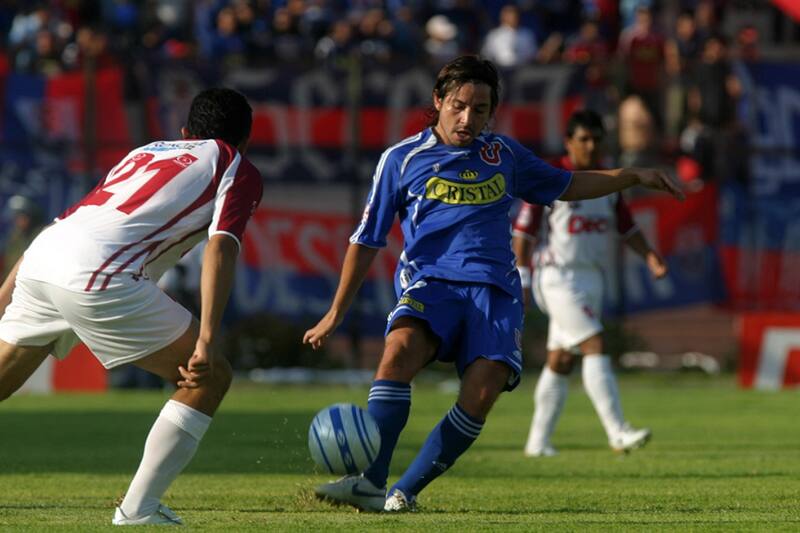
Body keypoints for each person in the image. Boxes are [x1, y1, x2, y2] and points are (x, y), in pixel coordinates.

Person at [303, 55, 683, 513]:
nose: (468, 118)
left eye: (480, 109)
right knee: (398, 351)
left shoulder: (503, 155)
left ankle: (406, 491)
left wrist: (632, 175)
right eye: (459, 105)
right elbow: (366, 240)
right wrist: (336, 311)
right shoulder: (401, 160)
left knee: (482, 393)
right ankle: (370, 481)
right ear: (438, 101)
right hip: (432, 285)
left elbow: (567, 184)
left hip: (495, 293)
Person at [0, 88, 263, 525]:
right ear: (246, 141)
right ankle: (139, 511)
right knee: (209, 375)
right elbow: (221, 249)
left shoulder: (145, 152)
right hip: (97, 272)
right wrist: (209, 339)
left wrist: (5, 291)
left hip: (44, 255)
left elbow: (75, 218)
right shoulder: (235, 164)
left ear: (185, 132)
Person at [512, 109, 667, 458]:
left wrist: (651, 256)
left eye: (596, 139)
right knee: (594, 343)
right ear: (569, 142)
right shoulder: (553, 178)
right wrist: (522, 278)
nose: (591, 145)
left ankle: (537, 442)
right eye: (583, 139)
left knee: (561, 359)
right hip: (557, 276)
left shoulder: (608, 181)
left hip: (592, 277)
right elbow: (523, 233)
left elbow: (625, 226)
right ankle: (618, 431)